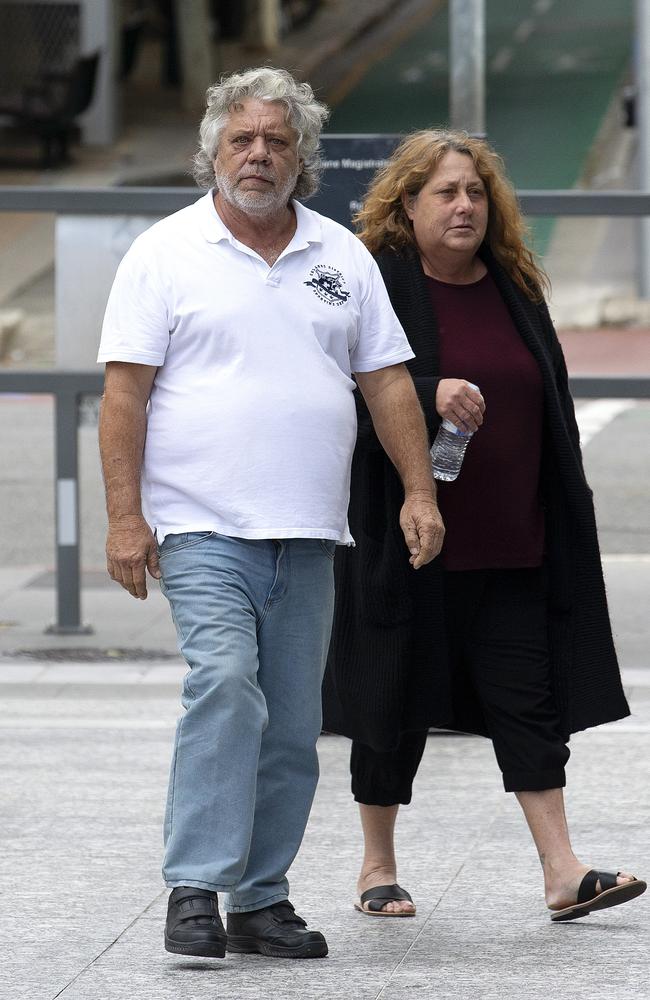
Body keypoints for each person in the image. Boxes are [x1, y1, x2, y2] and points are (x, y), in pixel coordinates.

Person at [97, 69, 443, 961]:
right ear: (213, 150)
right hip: (202, 525)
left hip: (308, 530)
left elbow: (388, 382)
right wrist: (125, 519)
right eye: (242, 139)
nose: (258, 155)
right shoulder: (163, 253)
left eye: (277, 141)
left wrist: (417, 489)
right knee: (224, 686)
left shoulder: (342, 256)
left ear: (304, 157)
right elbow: (124, 396)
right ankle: (194, 886)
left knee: (291, 721)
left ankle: (259, 899)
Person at [323, 129, 646, 922]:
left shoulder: (514, 285)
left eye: (475, 192)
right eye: (444, 192)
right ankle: (377, 867)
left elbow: (550, 402)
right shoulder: (381, 286)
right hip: (408, 542)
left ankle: (563, 872)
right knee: (389, 701)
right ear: (406, 204)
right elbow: (340, 395)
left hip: (514, 540)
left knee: (529, 702)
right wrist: (426, 391)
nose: (464, 205)